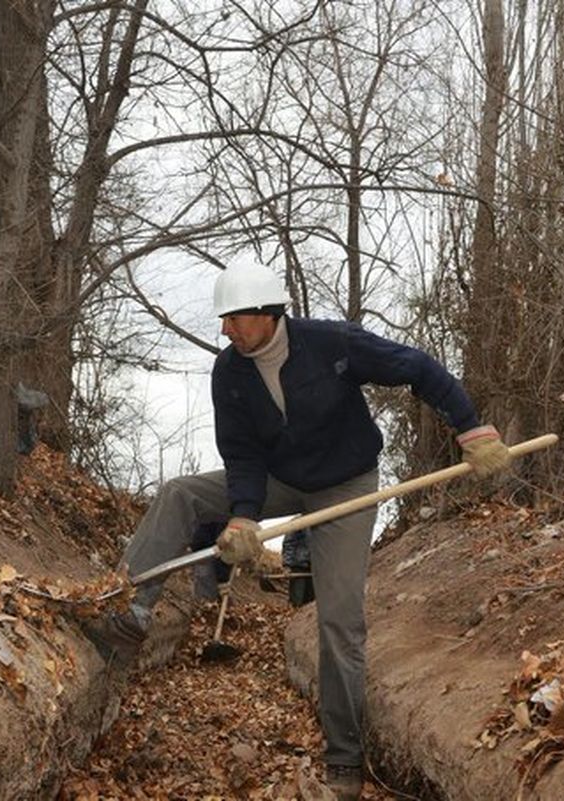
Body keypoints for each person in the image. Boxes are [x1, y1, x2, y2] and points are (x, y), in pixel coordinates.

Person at [85, 255, 510, 800]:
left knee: (339, 622)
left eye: (234, 318)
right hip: (279, 479)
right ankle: (129, 611)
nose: (226, 329)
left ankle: (345, 761)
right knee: (180, 494)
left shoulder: (333, 343)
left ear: (268, 313)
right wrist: (243, 514)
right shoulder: (229, 372)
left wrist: (470, 428)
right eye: (223, 319)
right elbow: (240, 453)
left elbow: (418, 367)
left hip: (346, 484)